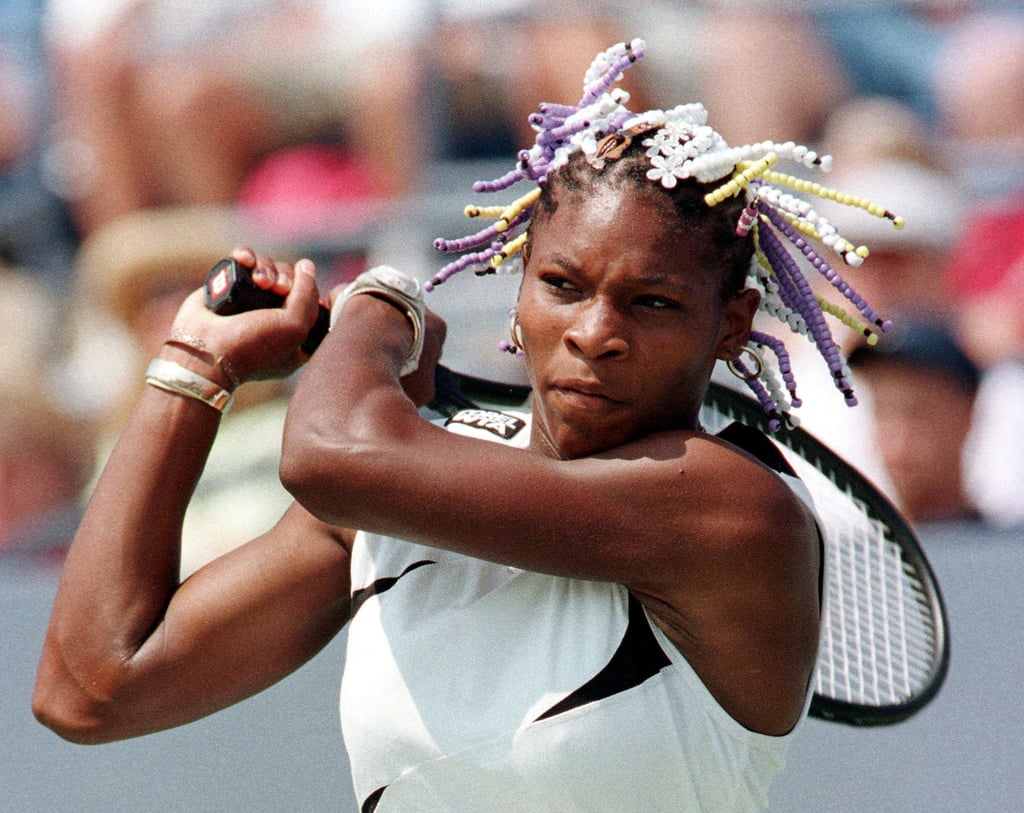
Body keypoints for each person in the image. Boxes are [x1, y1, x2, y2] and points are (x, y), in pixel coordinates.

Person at [33, 41, 902, 811]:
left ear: (734, 324)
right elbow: (92, 686)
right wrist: (194, 364)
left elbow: (330, 453)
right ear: (519, 291)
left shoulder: (734, 510)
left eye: (653, 302)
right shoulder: (398, 488)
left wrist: (382, 302)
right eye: (562, 284)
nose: (596, 332)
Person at [847, 317, 983, 527]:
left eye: (916, 412)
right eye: (882, 409)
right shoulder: (854, 551)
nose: (897, 438)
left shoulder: (1011, 549)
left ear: (968, 414)